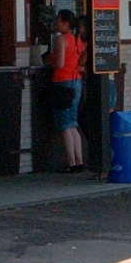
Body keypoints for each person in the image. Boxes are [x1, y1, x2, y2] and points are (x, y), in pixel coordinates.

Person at [49, 10, 88, 174]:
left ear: (66, 23)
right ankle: (79, 160)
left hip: (61, 82)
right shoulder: (79, 40)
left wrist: (49, 59)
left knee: (64, 124)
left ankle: (71, 162)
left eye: (59, 21)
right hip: (76, 81)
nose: (57, 24)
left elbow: (59, 63)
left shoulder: (61, 40)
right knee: (73, 122)